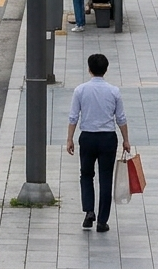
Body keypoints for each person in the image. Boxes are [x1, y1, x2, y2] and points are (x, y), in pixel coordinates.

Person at [65, 53, 132, 233]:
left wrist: (70, 138)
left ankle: (89, 210)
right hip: (108, 138)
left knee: (86, 174)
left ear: (89, 69)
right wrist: (126, 140)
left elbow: (73, 117)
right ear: (106, 70)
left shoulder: (80, 90)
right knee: (106, 178)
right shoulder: (114, 91)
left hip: (87, 137)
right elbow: (121, 118)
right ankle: (102, 221)